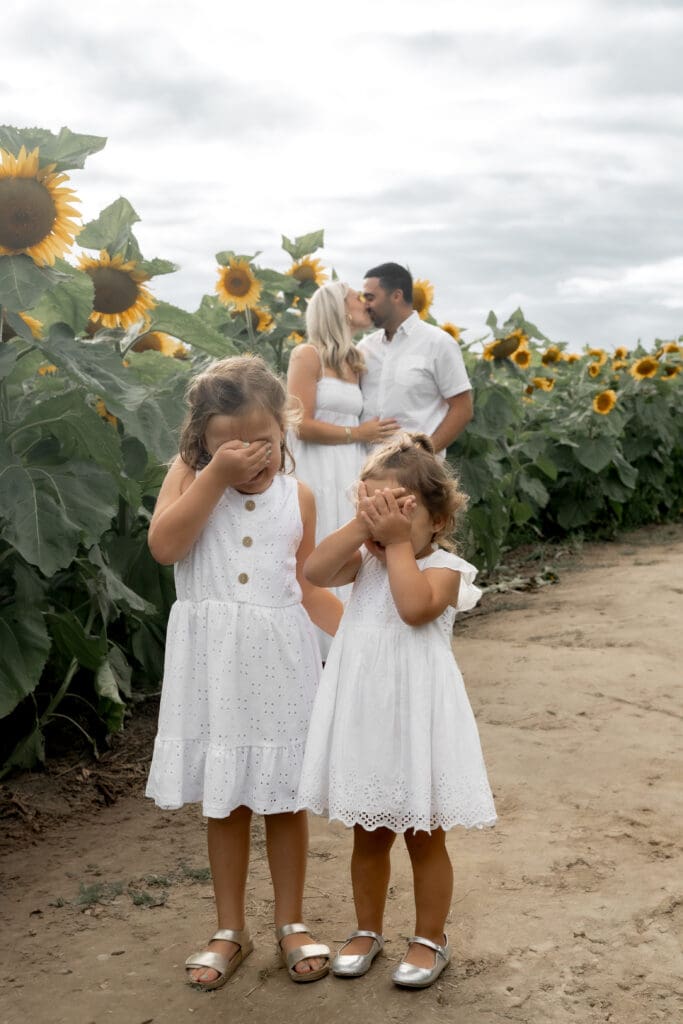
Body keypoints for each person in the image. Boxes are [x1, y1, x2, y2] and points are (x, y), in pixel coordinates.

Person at [145, 355, 342, 990]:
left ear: (285, 432)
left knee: (285, 800)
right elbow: (164, 546)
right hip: (215, 670)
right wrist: (213, 477)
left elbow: (307, 584)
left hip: (282, 662)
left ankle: (291, 922)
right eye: (230, 442)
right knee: (225, 802)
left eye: (262, 442)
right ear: (200, 438)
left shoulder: (298, 496)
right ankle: (230, 928)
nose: (248, 456)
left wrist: (362, 639)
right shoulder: (189, 477)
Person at [297, 433, 496, 989]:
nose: (388, 521)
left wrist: (396, 545)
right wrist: (365, 530)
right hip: (367, 717)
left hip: (419, 721)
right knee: (368, 834)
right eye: (376, 505)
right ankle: (366, 929)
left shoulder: (447, 568)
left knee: (425, 835)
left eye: (402, 510)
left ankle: (431, 937)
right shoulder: (364, 561)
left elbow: (413, 609)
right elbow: (314, 572)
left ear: (438, 519)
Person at [287, 281, 399, 657]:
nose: (366, 303)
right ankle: (315, 648)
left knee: (352, 545)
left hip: (349, 467)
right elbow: (299, 422)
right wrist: (358, 432)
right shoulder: (308, 355)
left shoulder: (355, 361)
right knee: (318, 545)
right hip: (317, 467)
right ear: (337, 309)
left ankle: (353, 641)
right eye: (358, 297)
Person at [358, 262, 473, 456]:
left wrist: (424, 454)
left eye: (370, 297)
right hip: (366, 471)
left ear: (396, 296)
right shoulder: (364, 348)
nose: (365, 305)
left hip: (416, 476)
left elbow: (463, 409)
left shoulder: (438, 343)